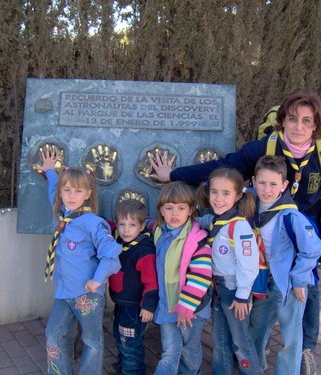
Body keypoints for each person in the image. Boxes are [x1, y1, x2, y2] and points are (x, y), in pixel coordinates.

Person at [149, 88, 321, 375]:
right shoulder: (263, 148)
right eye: (293, 119)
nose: (299, 127)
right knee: (261, 303)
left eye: (306, 121)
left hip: (298, 236)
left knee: (306, 288)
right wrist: (174, 175)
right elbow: (224, 168)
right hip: (263, 235)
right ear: (282, 120)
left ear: (315, 125)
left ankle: (306, 349)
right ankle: (252, 355)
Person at [36, 149, 122, 375]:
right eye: (67, 190)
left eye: (78, 191)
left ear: (88, 193)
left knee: (92, 341)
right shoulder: (62, 215)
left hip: (87, 295)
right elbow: (53, 190)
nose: (71, 195)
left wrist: (98, 279)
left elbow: (111, 253)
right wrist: (50, 171)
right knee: (53, 335)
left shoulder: (93, 223)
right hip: (64, 293)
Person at [249, 155, 321, 374]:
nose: (267, 189)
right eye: (262, 183)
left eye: (273, 184)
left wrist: (300, 279)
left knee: (291, 335)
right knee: (256, 328)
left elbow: (313, 248)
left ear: (284, 185)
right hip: (264, 280)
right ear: (253, 181)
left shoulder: (291, 215)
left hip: (289, 284)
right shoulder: (250, 207)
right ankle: (256, 366)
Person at [196, 168, 261, 375]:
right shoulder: (215, 220)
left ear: (238, 196)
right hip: (217, 288)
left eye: (226, 193)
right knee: (220, 340)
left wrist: (242, 296)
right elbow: (198, 221)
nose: (218, 199)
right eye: (214, 192)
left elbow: (249, 265)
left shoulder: (239, 227)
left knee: (241, 342)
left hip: (234, 292)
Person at [153, 181, 213, 375]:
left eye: (181, 208)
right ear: (161, 210)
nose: (175, 214)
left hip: (191, 308)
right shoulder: (159, 232)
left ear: (190, 210)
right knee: (169, 350)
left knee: (189, 348)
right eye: (169, 208)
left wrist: (186, 307)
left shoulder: (196, 239)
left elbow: (201, 276)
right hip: (168, 303)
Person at [109, 199, 159, 375]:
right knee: (119, 334)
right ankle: (124, 364)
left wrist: (148, 306)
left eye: (132, 225)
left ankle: (133, 370)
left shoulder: (143, 250)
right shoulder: (121, 240)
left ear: (142, 225)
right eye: (122, 224)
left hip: (135, 306)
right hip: (122, 302)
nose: (126, 230)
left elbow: (151, 282)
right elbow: (107, 226)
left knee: (130, 340)